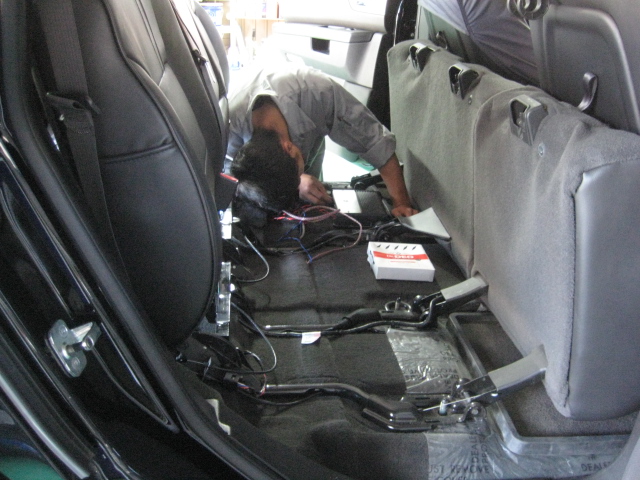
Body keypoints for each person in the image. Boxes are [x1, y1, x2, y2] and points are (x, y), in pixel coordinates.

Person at [227, 65, 418, 224]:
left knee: (313, 203)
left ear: (289, 147)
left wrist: (401, 204)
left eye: (299, 171)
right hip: (260, 162)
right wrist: (296, 184)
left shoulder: (317, 91)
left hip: (308, 119)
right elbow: (230, 181)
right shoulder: (230, 125)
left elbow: (375, 141)